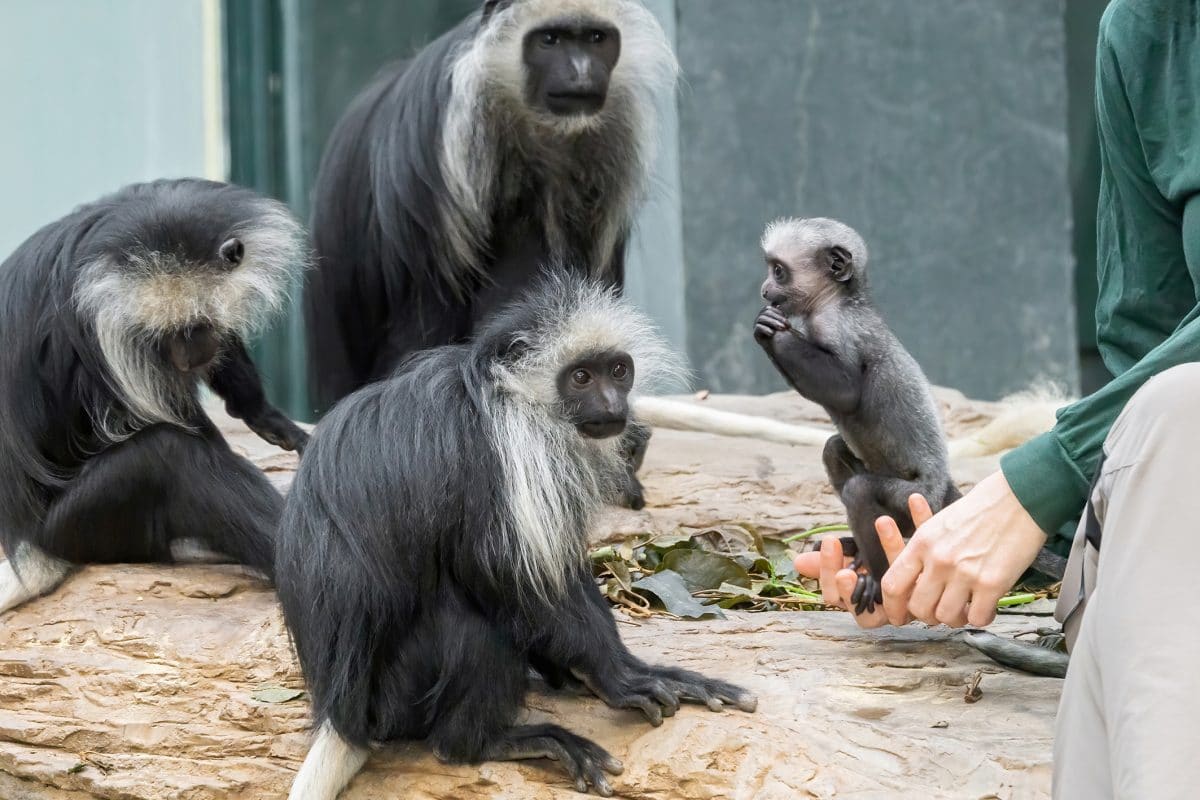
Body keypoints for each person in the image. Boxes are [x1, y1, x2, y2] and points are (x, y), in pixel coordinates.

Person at [795, 2, 1200, 798]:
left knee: (1182, 411)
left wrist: (1029, 488)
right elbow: (1141, 358)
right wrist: (957, 544)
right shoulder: (1149, 28)